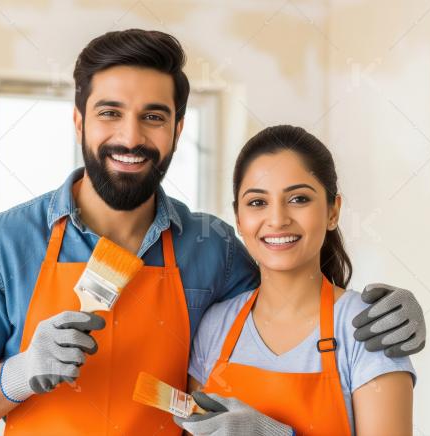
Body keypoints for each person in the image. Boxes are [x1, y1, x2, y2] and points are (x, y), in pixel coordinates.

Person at [0, 29, 426, 435]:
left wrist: (385, 317)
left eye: (153, 117)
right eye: (110, 113)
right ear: (78, 121)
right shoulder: (3, 244)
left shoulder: (215, 248)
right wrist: (17, 374)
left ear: (178, 129)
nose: (131, 137)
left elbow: (290, 294)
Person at [176, 125, 416, 436]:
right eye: (257, 202)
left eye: (299, 199)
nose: (277, 219)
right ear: (238, 218)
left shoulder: (367, 329)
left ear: (332, 211)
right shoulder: (216, 327)